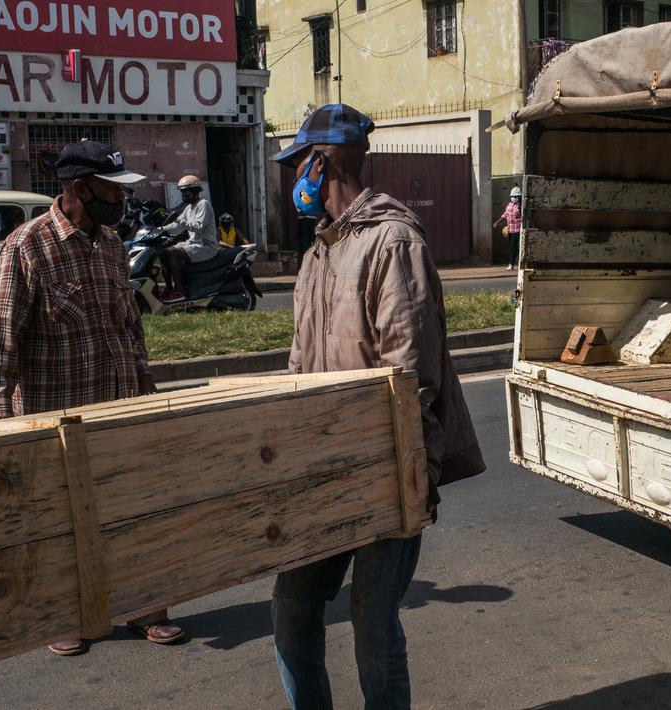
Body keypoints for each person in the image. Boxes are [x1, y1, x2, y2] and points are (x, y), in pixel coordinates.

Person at [269, 103, 485, 710]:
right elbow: (298, 366)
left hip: (386, 469)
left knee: (372, 621)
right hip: (323, 468)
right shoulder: (317, 255)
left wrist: (417, 477)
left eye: (298, 168)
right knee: (292, 605)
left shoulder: (392, 241)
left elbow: (408, 372)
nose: (294, 183)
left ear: (320, 162)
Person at [0, 140, 186, 657]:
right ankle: (64, 613)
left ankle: (146, 606)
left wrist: (145, 387)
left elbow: (130, 328)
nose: (120, 201)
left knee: (133, 509)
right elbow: (1, 339)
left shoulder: (115, 246)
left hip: (119, 410)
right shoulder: (27, 247)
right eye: (110, 191)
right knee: (58, 522)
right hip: (57, 417)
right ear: (77, 189)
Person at [158, 175, 218, 301]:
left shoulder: (203, 204)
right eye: (182, 192)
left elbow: (198, 227)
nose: (184, 195)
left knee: (173, 254)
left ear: (195, 191)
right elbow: (177, 227)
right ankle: (169, 288)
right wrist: (159, 230)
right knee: (163, 253)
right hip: (193, 244)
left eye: (186, 192)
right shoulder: (188, 208)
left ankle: (179, 291)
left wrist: (179, 219)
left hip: (206, 246)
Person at [493, 186, 522, 270]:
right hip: (510, 229)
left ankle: (511, 264)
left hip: (517, 230)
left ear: (519, 197)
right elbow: (505, 215)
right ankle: (513, 262)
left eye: (516, 196)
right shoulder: (509, 205)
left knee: (513, 247)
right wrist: (497, 222)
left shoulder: (520, 206)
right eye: (512, 196)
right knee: (512, 247)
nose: (513, 198)